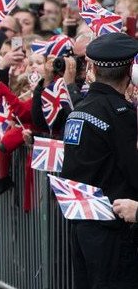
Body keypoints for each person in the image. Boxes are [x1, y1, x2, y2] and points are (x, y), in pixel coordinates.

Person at [60, 32, 138, 288]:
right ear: (129, 72)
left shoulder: (80, 110)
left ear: (92, 67)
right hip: (113, 227)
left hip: (83, 226)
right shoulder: (120, 114)